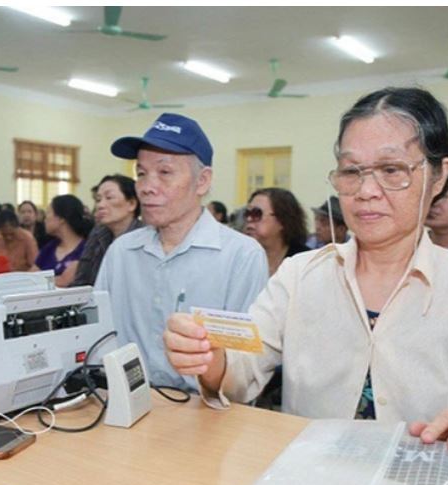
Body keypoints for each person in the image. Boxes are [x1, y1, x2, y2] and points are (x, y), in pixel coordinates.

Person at [164, 88, 448, 459]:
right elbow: (242, 370)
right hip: (308, 478)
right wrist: (211, 361)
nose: (366, 191)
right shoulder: (300, 275)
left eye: (391, 170)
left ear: (438, 176)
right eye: (351, 171)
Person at [96, 112, 268, 393]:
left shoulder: (241, 256)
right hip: (129, 404)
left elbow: (245, 368)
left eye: (164, 173)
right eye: (141, 173)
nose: (147, 187)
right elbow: (99, 341)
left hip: (208, 412)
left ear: (202, 181)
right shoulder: (121, 253)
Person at [72, 174, 143, 287]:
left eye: (109, 198)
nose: (100, 205)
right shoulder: (98, 233)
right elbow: (82, 280)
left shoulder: (145, 237)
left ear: (132, 204)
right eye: (98, 199)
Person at [243, 187, 309, 276]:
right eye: (247, 213)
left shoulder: (306, 262)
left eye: (256, 213)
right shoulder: (241, 258)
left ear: (282, 220)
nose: (249, 219)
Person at [35, 194, 92, 287]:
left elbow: (64, 282)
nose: (45, 219)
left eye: (48, 213)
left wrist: (38, 280)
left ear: (61, 218)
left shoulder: (85, 250)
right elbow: (30, 278)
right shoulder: (49, 248)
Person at [0, 209, 39, 273]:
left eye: (12, 234)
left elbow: (35, 266)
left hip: (24, 278)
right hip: (2, 278)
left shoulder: (27, 238)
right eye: (4, 235)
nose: (8, 237)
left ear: (17, 227)